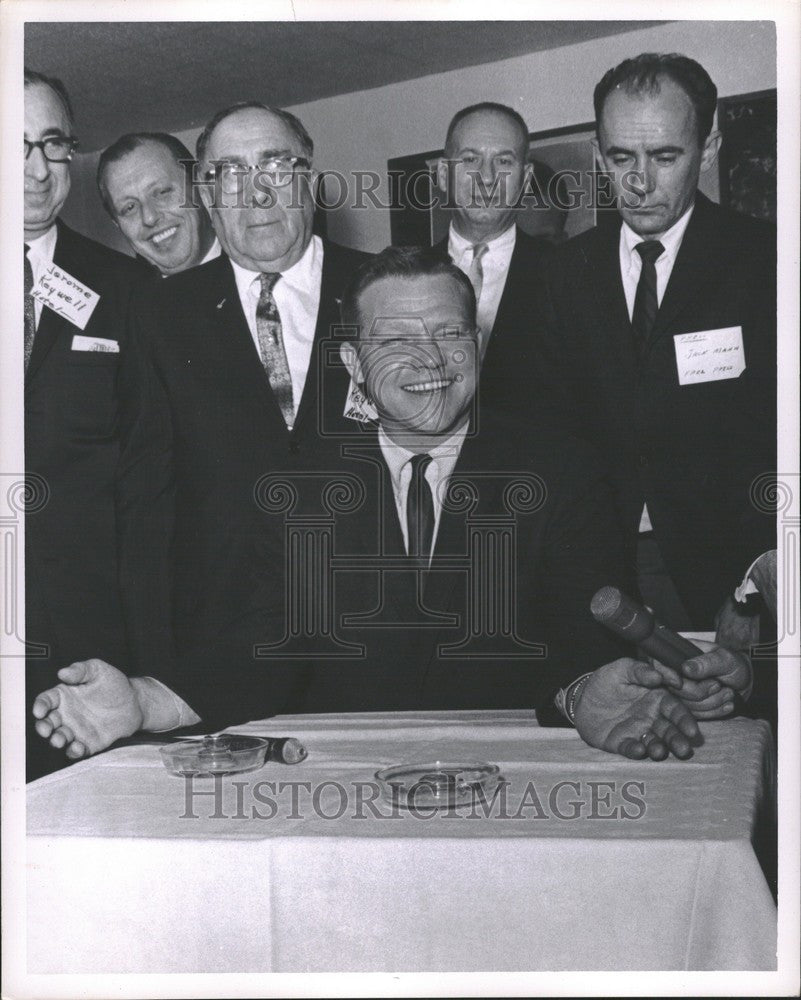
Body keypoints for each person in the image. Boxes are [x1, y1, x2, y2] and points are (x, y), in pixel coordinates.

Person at [35, 249, 745, 764]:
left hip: (518, 781)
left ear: (477, 345)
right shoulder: (300, 488)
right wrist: (145, 701)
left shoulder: (561, 469)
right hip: (348, 791)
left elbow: (576, 629)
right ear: (353, 364)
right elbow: (263, 647)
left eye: (447, 332)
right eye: (394, 338)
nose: (427, 358)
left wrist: (584, 690)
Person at [111, 102, 370, 687]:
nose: (256, 193)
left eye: (275, 166)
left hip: (377, 631)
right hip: (223, 651)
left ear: (310, 178)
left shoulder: (388, 287)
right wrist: (153, 669)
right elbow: (147, 503)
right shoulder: (157, 316)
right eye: (229, 173)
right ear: (205, 194)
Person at [534, 53, 776, 633]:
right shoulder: (561, 275)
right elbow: (550, 439)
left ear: (710, 147)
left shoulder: (768, 261)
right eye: (621, 158)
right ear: (598, 155)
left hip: (735, 579)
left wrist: (757, 583)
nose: (640, 183)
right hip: (599, 580)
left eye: (665, 157)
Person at [23, 68, 143, 780]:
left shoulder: (125, 288)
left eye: (54, 144)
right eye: (15, 146)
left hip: (79, 657)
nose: (38, 172)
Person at [433, 102, 553, 418]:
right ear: (444, 175)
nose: (487, 178)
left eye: (503, 161)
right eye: (470, 159)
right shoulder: (404, 276)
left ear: (526, 180)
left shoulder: (567, 275)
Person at [96, 132, 219, 275]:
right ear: (117, 223)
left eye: (162, 192)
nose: (149, 218)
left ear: (198, 185)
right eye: (129, 207)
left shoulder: (249, 264)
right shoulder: (120, 295)